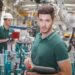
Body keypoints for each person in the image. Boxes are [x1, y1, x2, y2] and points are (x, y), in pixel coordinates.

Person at [24, 5, 72, 75]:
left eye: (47, 20)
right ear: (37, 20)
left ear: (53, 21)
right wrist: (29, 64)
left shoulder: (58, 44)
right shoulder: (37, 36)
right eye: (41, 20)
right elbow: (37, 61)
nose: (43, 24)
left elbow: (67, 73)